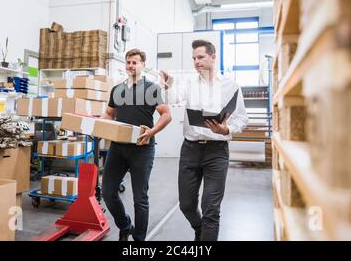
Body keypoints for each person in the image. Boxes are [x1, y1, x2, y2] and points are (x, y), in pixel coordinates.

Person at [161, 39, 248, 241]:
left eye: (200, 57)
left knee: (211, 208)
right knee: (186, 205)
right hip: (190, 149)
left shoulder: (230, 85)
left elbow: (242, 117)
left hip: (217, 152)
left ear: (213, 56)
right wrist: (168, 86)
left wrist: (226, 129)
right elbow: (172, 99)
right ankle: (198, 229)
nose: (196, 62)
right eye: (194, 58)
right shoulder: (189, 83)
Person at [100, 48, 172, 241]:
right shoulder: (118, 89)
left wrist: (152, 131)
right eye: (128, 62)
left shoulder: (151, 89)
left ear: (143, 65)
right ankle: (124, 225)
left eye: (135, 62)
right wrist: (99, 123)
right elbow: (109, 113)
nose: (131, 65)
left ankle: (139, 240)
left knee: (140, 199)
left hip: (142, 148)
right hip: (118, 147)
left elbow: (166, 114)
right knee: (107, 191)